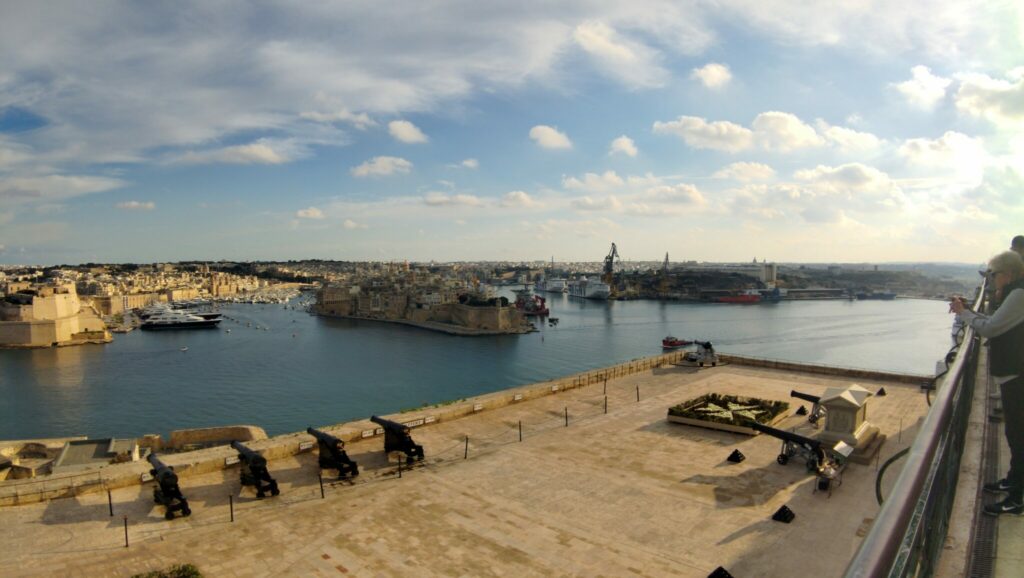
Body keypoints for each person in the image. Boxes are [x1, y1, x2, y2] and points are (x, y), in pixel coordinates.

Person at [952, 251, 1024, 515]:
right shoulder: (1015, 292)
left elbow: (991, 328)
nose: (991, 280)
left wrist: (964, 313)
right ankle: (1014, 481)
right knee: (1015, 433)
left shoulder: (1019, 294)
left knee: (1018, 436)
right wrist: (970, 312)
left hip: (1017, 374)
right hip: (1014, 372)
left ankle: (1017, 498)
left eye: (993, 274)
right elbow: (995, 323)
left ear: (1007, 274)